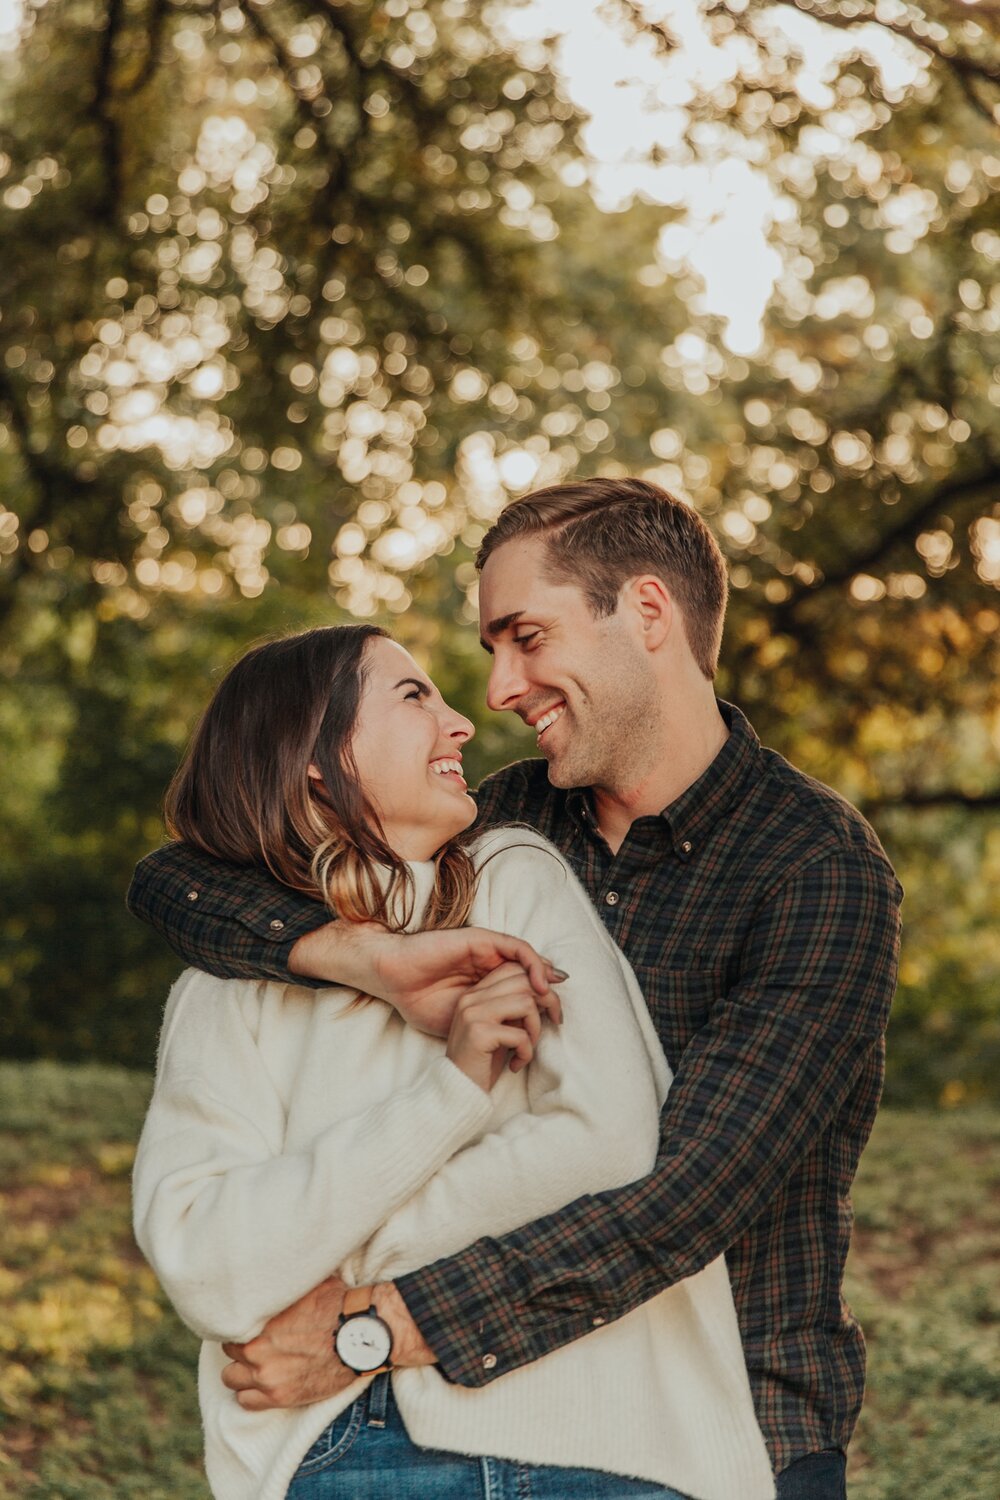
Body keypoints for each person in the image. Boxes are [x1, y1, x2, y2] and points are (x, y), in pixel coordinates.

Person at [129, 478, 902, 1500]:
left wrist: (370, 1321)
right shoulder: (502, 825)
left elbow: (677, 1194)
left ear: (647, 613)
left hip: (740, 1410)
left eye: (524, 637)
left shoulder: (815, 868)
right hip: (444, 1418)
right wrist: (355, 956)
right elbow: (183, 875)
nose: (495, 689)